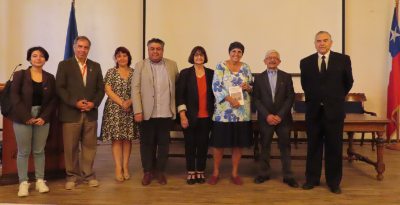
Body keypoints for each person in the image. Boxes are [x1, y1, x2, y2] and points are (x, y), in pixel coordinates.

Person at [300, 31, 353, 194]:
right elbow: (305, 85)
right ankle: (312, 179)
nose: (321, 43)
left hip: (334, 111)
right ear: (314, 43)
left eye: (325, 40)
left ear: (331, 42)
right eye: (318, 41)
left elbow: (348, 82)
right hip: (314, 111)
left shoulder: (343, 60)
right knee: (313, 147)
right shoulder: (306, 62)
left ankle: (334, 181)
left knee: (334, 147)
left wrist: (333, 97)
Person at [56, 36, 105, 190]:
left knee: (90, 146)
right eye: (80, 46)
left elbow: (101, 89)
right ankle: (72, 176)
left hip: (90, 113)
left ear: (89, 49)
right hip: (71, 113)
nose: (83, 50)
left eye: (86, 47)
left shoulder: (95, 66)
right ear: (74, 47)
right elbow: (60, 88)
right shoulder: (64, 65)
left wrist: (94, 103)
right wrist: (74, 103)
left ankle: (88, 175)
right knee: (70, 147)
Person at [8, 47, 57, 197]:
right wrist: (25, 116)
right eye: (34, 56)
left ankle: (40, 181)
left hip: (42, 117)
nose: (38, 58)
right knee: (23, 151)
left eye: (41, 56)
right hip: (23, 116)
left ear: (45, 59)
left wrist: (45, 116)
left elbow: (54, 99)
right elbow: (14, 97)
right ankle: (23, 182)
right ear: (29, 59)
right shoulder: (19, 75)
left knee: (39, 151)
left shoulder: (50, 77)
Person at [131, 38, 179, 185]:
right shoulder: (140, 66)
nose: (155, 51)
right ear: (148, 50)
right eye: (152, 48)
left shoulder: (172, 65)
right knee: (146, 143)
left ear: (162, 50)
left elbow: (177, 86)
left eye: (158, 48)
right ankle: (147, 171)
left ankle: (160, 171)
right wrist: (138, 110)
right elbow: (135, 89)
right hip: (146, 113)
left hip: (165, 112)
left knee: (164, 144)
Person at [209, 41, 253, 185]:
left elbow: (251, 86)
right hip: (224, 113)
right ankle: (216, 172)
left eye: (239, 52)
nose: (236, 54)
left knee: (238, 144)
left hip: (242, 112)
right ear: (229, 52)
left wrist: (248, 87)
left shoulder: (246, 67)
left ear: (242, 54)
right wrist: (230, 100)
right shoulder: (221, 66)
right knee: (218, 144)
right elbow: (216, 86)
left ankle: (235, 173)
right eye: (234, 51)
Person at [252, 50, 298, 188]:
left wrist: (279, 115)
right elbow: (256, 99)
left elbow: (290, 98)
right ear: (265, 61)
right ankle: (264, 174)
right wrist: (268, 115)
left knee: (285, 147)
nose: (272, 60)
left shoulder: (286, 77)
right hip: (265, 119)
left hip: (283, 119)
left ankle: (288, 176)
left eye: (275, 58)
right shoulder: (259, 78)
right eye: (269, 58)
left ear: (279, 61)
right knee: (265, 146)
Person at [100, 47, 140, 182]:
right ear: (115, 59)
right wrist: (122, 103)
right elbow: (108, 90)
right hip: (114, 109)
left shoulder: (135, 73)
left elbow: (139, 90)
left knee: (127, 139)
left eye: (124, 55)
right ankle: (118, 168)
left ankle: (126, 167)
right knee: (117, 139)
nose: (122, 58)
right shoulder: (111, 72)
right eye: (119, 56)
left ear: (129, 58)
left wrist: (129, 102)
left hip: (130, 108)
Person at [176, 46, 214, 185]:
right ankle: (191, 171)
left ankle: (201, 171)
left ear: (205, 57)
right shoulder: (185, 73)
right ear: (192, 57)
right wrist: (182, 115)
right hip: (189, 117)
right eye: (196, 55)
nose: (199, 57)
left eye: (201, 55)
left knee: (203, 145)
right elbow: (180, 96)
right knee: (190, 144)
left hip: (206, 117)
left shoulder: (211, 73)